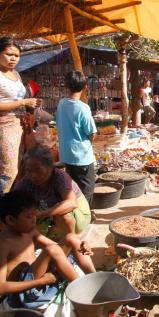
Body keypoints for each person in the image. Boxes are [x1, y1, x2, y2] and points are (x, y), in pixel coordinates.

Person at [0, 191, 93, 309]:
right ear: (10, 220)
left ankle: (96, 278)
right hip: (24, 292)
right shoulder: (3, 244)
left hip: (36, 273)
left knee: (71, 238)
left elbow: (58, 248)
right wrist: (40, 282)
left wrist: (81, 244)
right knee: (52, 250)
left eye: (35, 215)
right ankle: (85, 292)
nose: (34, 220)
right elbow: (1, 288)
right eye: (29, 216)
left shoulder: (29, 231)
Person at [13, 147, 95, 274]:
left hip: (76, 215)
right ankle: (63, 244)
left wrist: (43, 213)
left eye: (38, 171)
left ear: (50, 167)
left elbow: (71, 203)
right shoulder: (26, 182)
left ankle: (73, 240)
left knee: (62, 215)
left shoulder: (60, 177)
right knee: (27, 224)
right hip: (46, 217)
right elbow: (12, 202)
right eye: (28, 171)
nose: (33, 176)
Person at [0, 37, 41, 193]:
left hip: (20, 125)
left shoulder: (15, 73)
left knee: (19, 167)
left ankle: (11, 204)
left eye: (16, 56)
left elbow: (19, 98)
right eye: (9, 54)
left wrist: (30, 106)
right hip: (4, 126)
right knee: (8, 172)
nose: (13, 58)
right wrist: (24, 102)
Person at [55, 71, 97, 207]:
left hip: (67, 155)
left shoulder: (61, 103)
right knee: (87, 188)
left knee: (73, 186)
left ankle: (74, 211)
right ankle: (85, 214)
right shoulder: (83, 108)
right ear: (85, 87)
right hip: (82, 157)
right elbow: (91, 133)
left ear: (66, 86)